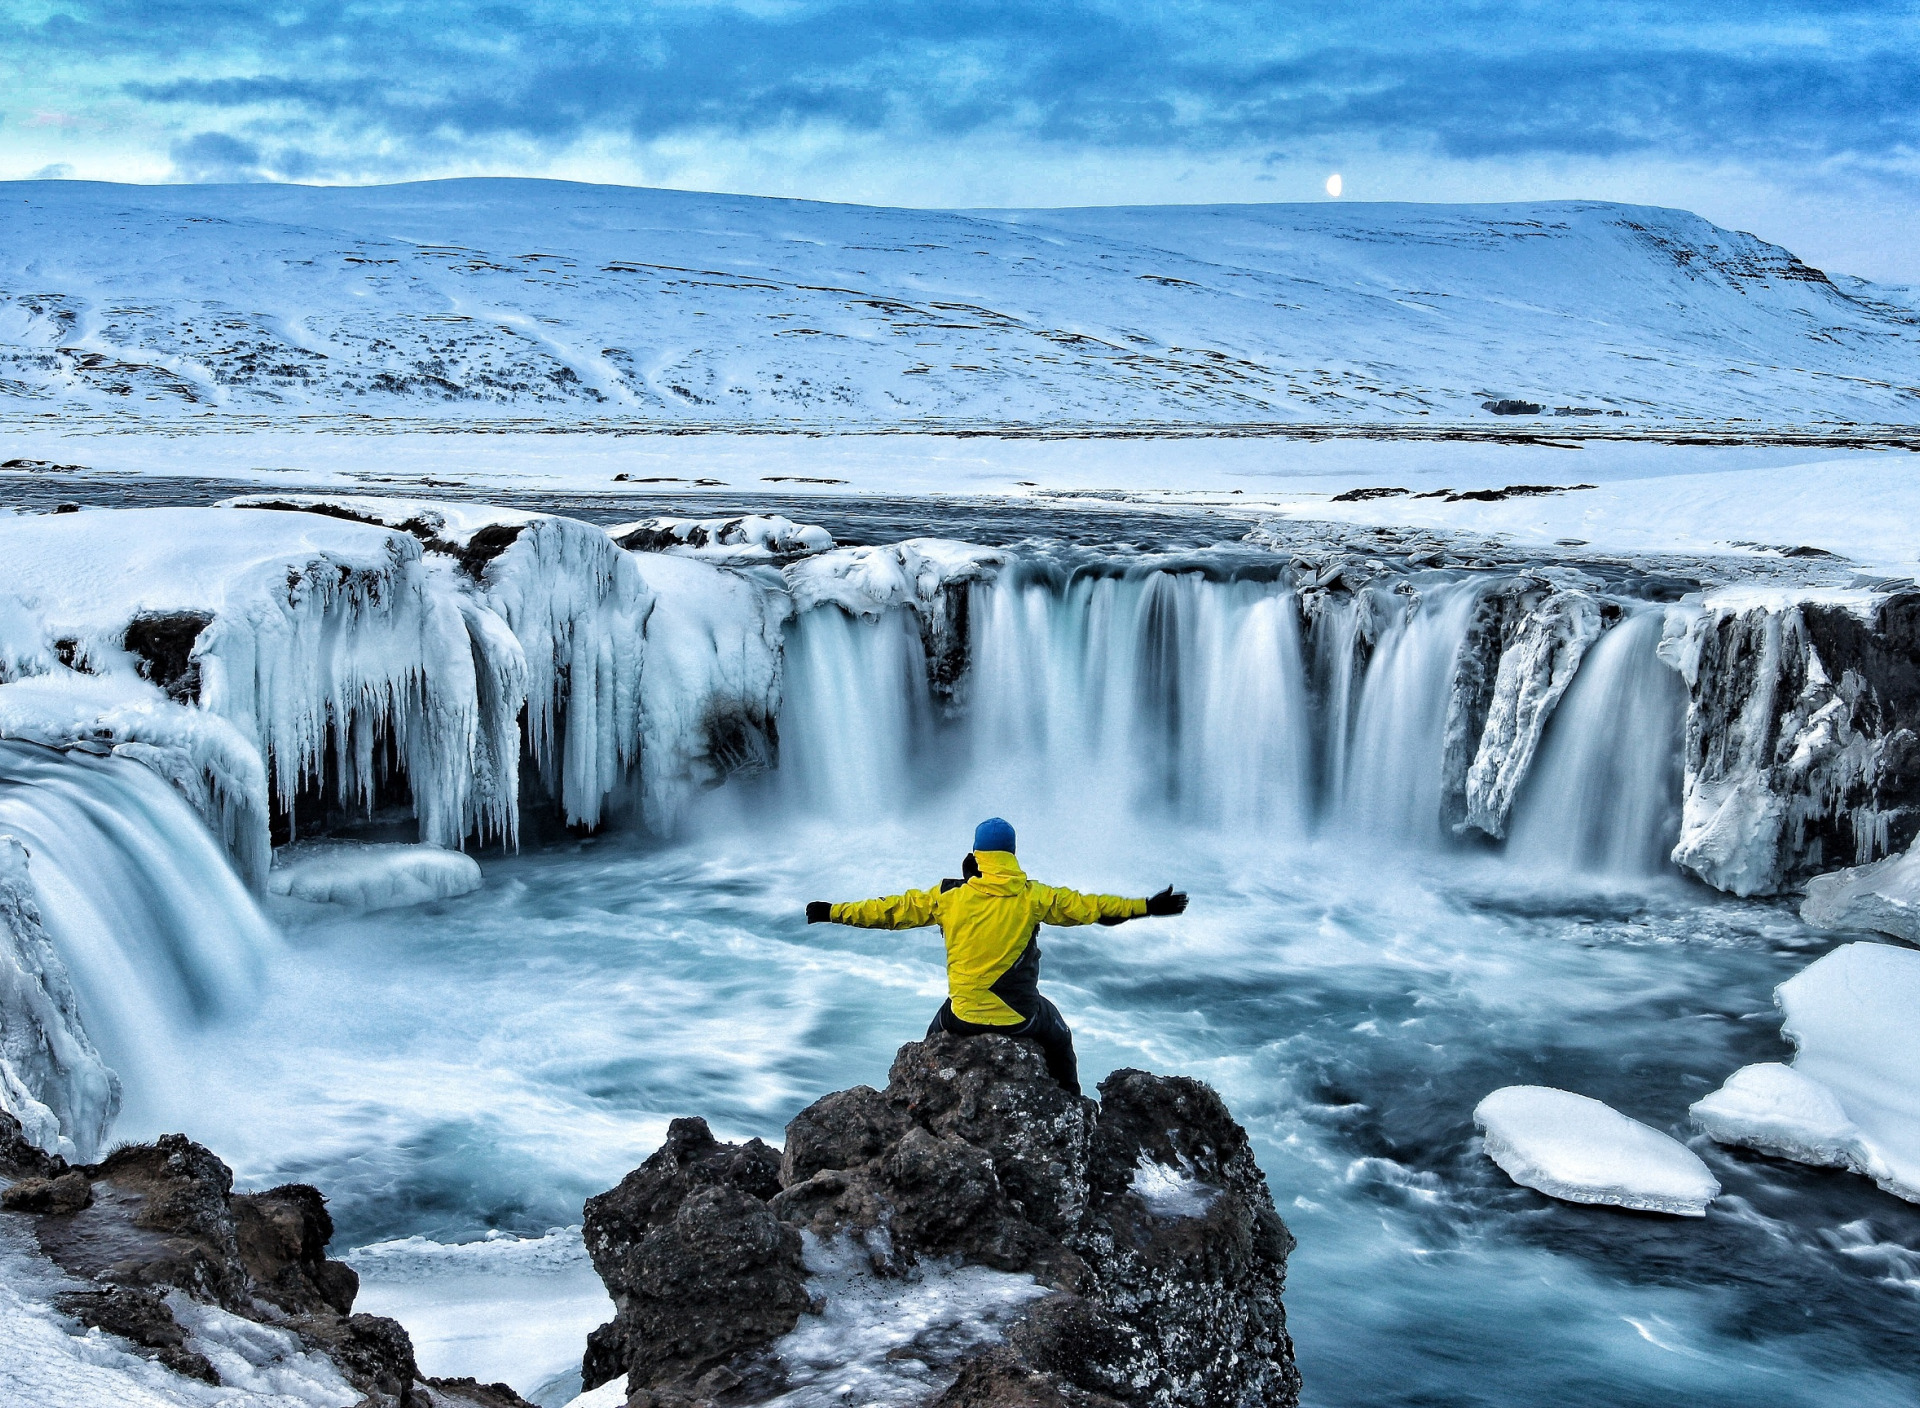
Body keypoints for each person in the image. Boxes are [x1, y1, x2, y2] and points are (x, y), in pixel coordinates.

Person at [805, 817, 1187, 1096]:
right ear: (1012, 855)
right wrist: (1147, 906)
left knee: (935, 1030)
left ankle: (917, 1085)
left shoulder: (947, 897)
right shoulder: (1034, 896)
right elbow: (1094, 909)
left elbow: (887, 912)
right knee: (1058, 1032)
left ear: (975, 854)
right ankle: (1070, 1099)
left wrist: (831, 911)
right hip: (1021, 1018)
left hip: (963, 1019)